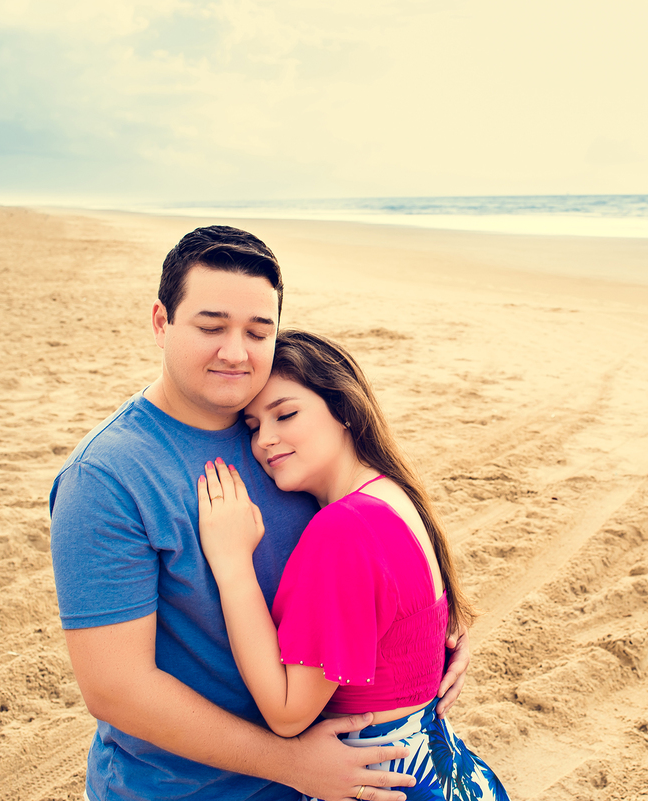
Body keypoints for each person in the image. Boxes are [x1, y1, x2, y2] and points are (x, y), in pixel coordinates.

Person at [49, 226, 470, 801]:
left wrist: (427, 636)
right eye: (210, 326)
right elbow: (117, 690)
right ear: (160, 322)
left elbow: (373, 554)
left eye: (257, 331)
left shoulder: (292, 447)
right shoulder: (105, 478)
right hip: (190, 790)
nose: (235, 352)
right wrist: (290, 763)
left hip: (325, 779)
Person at [197, 329, 509, 801]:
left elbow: (287, 712)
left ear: (343, 409)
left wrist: (232, 562)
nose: (265, 439)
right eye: (252, 425)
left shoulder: (344, 529)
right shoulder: (394, 495)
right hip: (446, 774)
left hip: (380, 785)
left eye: (286, 414)